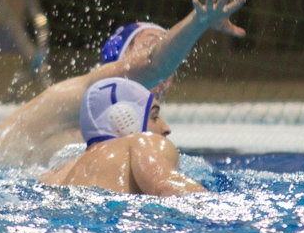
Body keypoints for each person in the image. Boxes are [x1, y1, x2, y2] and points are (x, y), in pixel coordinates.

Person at [0, 0, 247, 165]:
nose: (167, 71)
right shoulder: (80, 97)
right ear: (118, 61)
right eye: (148, 44)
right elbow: (155, 64)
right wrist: (197, 24)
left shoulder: (126, 130)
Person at [38, 77, 206, 196]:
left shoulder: (57, 175)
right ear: (125, 121)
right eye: (154, 117)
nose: (166, 128)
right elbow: (167, 187)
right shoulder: (141, 142)